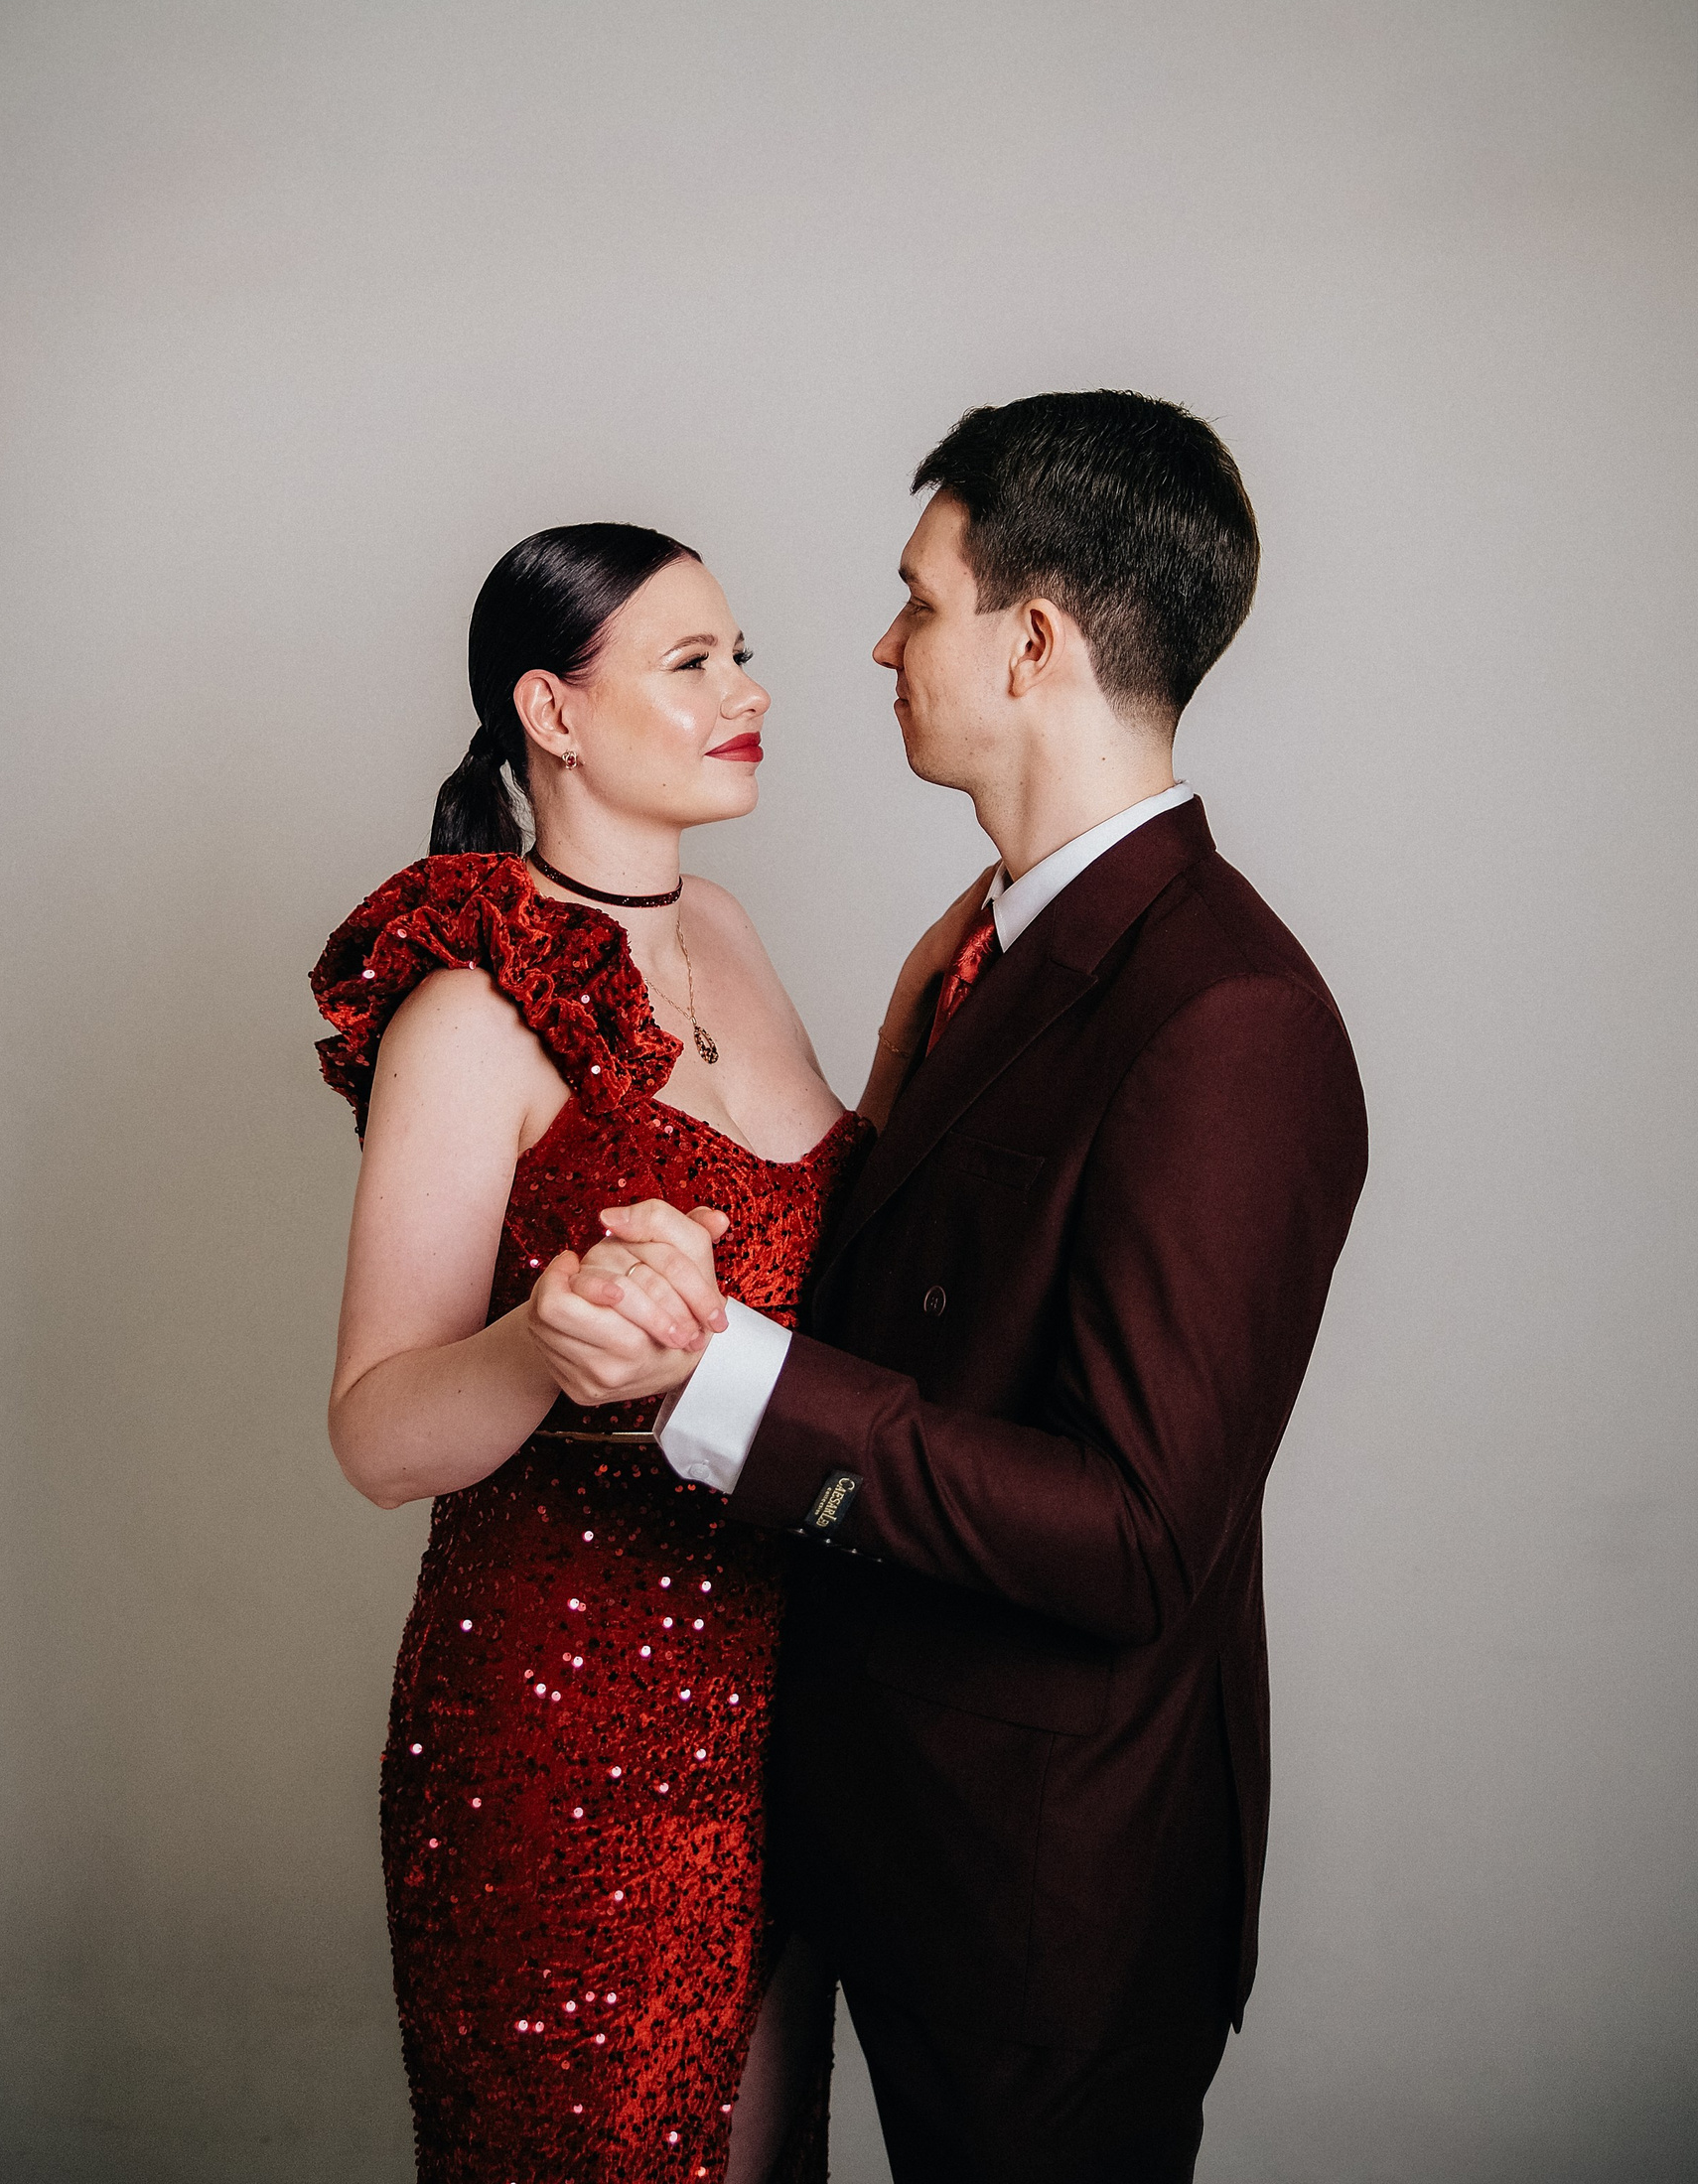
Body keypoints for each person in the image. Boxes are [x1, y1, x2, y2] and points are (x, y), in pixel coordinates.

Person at [554, 394, 1370, 2184]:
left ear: (1034, 641)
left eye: (919, 601)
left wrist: (733, 1384)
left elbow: (1138, 1535)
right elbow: (943, 1301)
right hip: (878, 1828)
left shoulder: (1228, 1015)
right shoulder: (995, 945)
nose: (879, 645)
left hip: (1045, 1894)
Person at [310, 522, 965, 2184]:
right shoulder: (473, 1007)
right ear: (553, 710)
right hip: (568, 1725)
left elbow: (820, 1249)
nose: (750, 693)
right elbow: (375, 1433)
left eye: (741, 656)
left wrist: (921, 1029)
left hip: (785, 1705)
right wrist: (539, 1342)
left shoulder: (722, 929)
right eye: (694, 664)